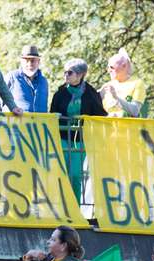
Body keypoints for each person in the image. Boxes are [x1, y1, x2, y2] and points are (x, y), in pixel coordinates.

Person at [50, 58, 106, 202]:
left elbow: (100, 115)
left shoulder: (90, 92)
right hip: (62, 138)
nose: (66, 75)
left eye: (70, 73)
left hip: (80, 141)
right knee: (62, 173)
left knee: (75, 175)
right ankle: (60, 208)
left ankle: (74, 210)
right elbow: (52, 114)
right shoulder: (60, 93)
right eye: (65, 72)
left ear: (80, 75)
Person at [0, 45, 49, 113]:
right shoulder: (12, 77)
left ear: (38, 61)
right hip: (13, 123)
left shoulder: (44, 82)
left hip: (39, 123)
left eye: (33, 60)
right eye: (26, 60)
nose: (30, 64)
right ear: (21, 61)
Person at [99, 48, 147, 118]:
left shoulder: (137, 83)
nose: (109, 71)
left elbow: (135, 110)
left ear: (124, 66)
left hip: (128, 128)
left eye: (112, 67)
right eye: (108, 67)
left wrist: (116, 97)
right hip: (108, 128)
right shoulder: (107, 86)